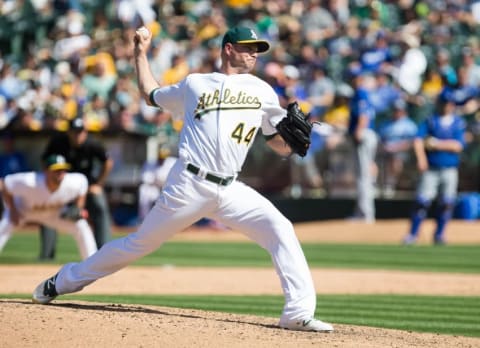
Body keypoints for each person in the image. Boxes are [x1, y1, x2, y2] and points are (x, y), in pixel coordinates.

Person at [32, 26, 334, 333]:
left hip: (230, 189)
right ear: (228, 48)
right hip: (189, 185)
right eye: (247, 46)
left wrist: (294, 144)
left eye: (257, 48)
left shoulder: (263, 91)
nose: (254, 52)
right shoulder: (195, 84)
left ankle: (297, 313)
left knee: (279, 227)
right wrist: (140, 53)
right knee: (137, 244)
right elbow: (150, 94)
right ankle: (63, 281)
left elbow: (277, 143)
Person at [39, 116, 114, 259]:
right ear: (69, 132)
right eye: (75, 132)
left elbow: (108, 162)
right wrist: (52, 182)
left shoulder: (92, 144)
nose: (78, 135)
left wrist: (98, 184)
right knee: (47, 208)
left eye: (81, 132)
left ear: (85, 132)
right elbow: (45, 161)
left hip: (87, 186)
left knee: (99, 204)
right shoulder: (58, 142)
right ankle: (46, 256)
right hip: (63, 186)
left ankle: (105, 253)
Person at [0, 154, 97, 259]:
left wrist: (78, 207)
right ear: (45, 171)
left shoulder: (73, 182)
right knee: (4, 227)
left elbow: (83, 186)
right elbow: (4, 184)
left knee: (81, 226)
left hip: (54, 213)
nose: (60, 173)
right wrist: (12, 209)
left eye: (63, 170)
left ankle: (93, 263)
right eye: (56, 170)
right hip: (23, 210)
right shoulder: (30, 181)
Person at [403, 93, 466, 245]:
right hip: (431, 167)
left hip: (449, 168)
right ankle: (413, 234)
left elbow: (457, 146)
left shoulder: (458, 122)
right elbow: (418, 140)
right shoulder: (431, 120)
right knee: (421, 202)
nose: (447, 106)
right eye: (445, 102)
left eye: (450, 103)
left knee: (447, 202)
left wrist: (436, 143)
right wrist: (421, 158)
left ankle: (439, 235)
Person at [347, 70, 378, 223]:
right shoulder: (364, 92)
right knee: (364, 176)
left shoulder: (361, 92)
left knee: (363, 177)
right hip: (368, 134)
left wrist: (359, 130)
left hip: (364, 134)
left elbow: (363, 114)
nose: (352, 80)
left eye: (354, 77)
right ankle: (363, 212)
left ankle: (365, 214)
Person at [377, 99, 418, 197]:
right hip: (385, 151)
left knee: (396, 159)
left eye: (399, 110)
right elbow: (379, 140)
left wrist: (395, 147)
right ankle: (377, 185)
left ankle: (391, 184)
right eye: (395, 110)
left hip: (404, 153)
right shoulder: (385, 124)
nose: (397, 112)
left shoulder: (409, 125)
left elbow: (413, 142)